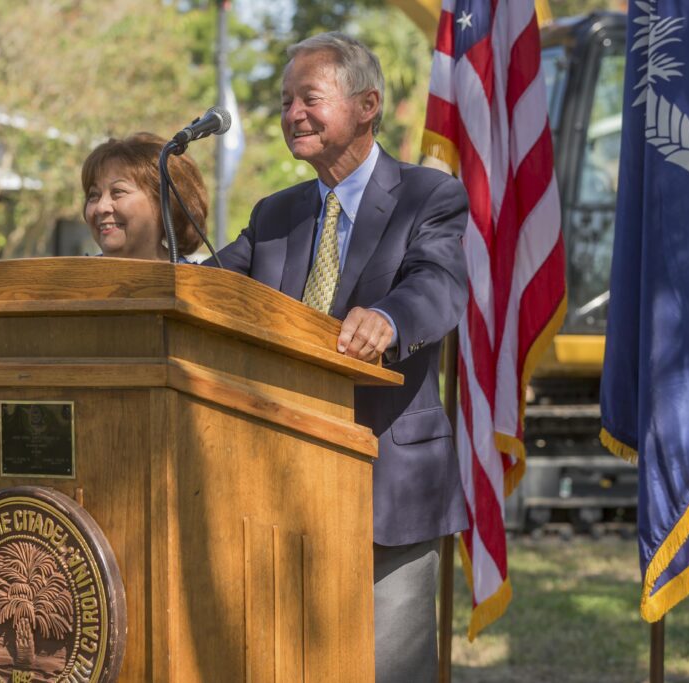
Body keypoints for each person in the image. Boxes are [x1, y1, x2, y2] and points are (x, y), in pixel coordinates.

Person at [212, 32, 470, 682]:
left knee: (389, 670)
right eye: (284, 100)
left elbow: (438, 286)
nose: (291, 112)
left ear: (367, 104)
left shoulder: (429, 196)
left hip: (388, 481)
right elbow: (210, 288)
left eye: (309, 98)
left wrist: (388, 317)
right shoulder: (275, 214)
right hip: (275, 485)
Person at [81, 132, 208, 262]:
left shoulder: (199, 281)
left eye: (118, 191)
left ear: (166, 203)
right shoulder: (69, 278)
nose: (100, 207)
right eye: (93, 195)